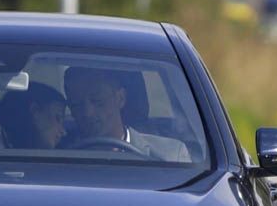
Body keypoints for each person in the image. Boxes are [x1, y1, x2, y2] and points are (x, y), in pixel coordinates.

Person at [62, 67, 190, 162]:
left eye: (98, 101)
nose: (87, 112)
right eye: (76, 104)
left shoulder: (171, 155)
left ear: (120, 98)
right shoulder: (57, 155)